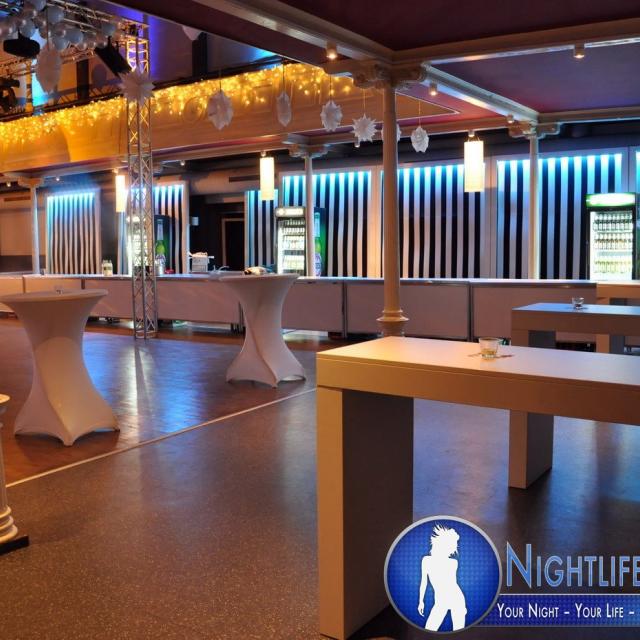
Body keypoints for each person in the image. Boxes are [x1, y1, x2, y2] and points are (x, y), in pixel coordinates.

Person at [417, 524, 467, 631]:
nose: (454, 548)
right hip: (440, 602)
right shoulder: (426, 560)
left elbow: (452, 584)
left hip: (456, 599)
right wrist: (421, 601)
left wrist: (462, 607)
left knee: (459, 633)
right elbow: (423, 582)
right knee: (429, 629)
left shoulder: (453, 563)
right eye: (453, 545)